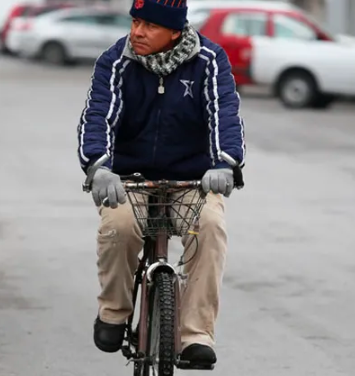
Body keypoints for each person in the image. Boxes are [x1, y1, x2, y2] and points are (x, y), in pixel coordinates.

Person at [76, 0, 246, 367]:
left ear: (175, 31)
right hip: (127, 179)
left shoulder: (209, 61)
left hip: (192, 180)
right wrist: (98, 167)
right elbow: (98, 116)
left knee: (211, 228)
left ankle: (196, 335)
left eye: (149, 26)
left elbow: (225, 116)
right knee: (118, 228)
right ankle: (114, 312)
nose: (137, 32)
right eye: (135, 22)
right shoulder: (115, 61)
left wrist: (225, 164)